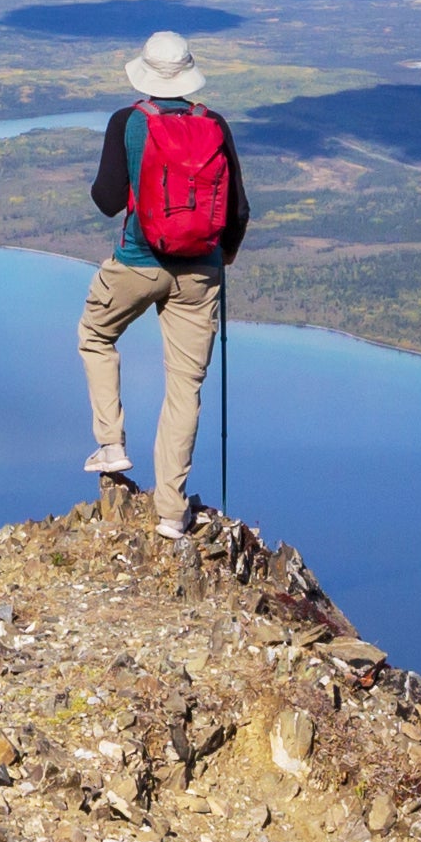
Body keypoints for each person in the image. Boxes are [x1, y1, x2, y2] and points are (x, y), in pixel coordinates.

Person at [82, 29, 248, 538]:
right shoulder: (213, 124)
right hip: (201, 272)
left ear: (146, 74)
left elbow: (107, 199)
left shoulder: (128, 123)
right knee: (185, 387)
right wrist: (221, 261)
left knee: (95, 334)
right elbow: (238, 209)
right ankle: (173, 514)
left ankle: (111, 443)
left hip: (138, 263)